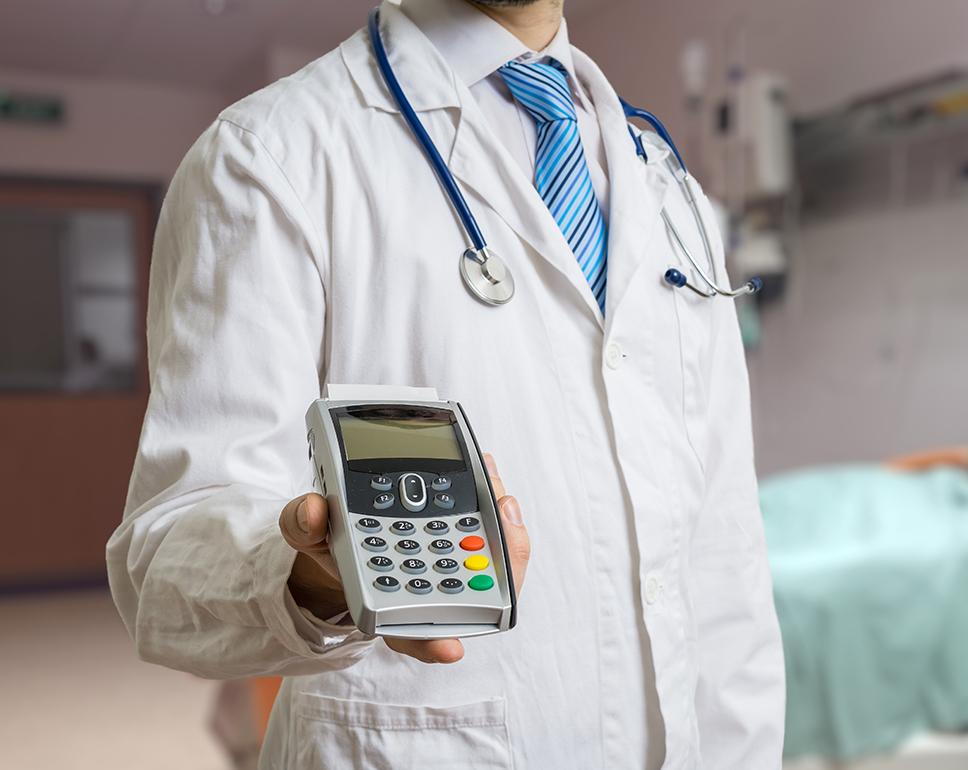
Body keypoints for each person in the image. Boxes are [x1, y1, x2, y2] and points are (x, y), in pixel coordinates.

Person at [105, 0, 786, 767]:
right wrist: (317, 577)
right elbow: (165, 565)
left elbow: (724, 548)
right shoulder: (270, 155)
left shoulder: (670, 189)